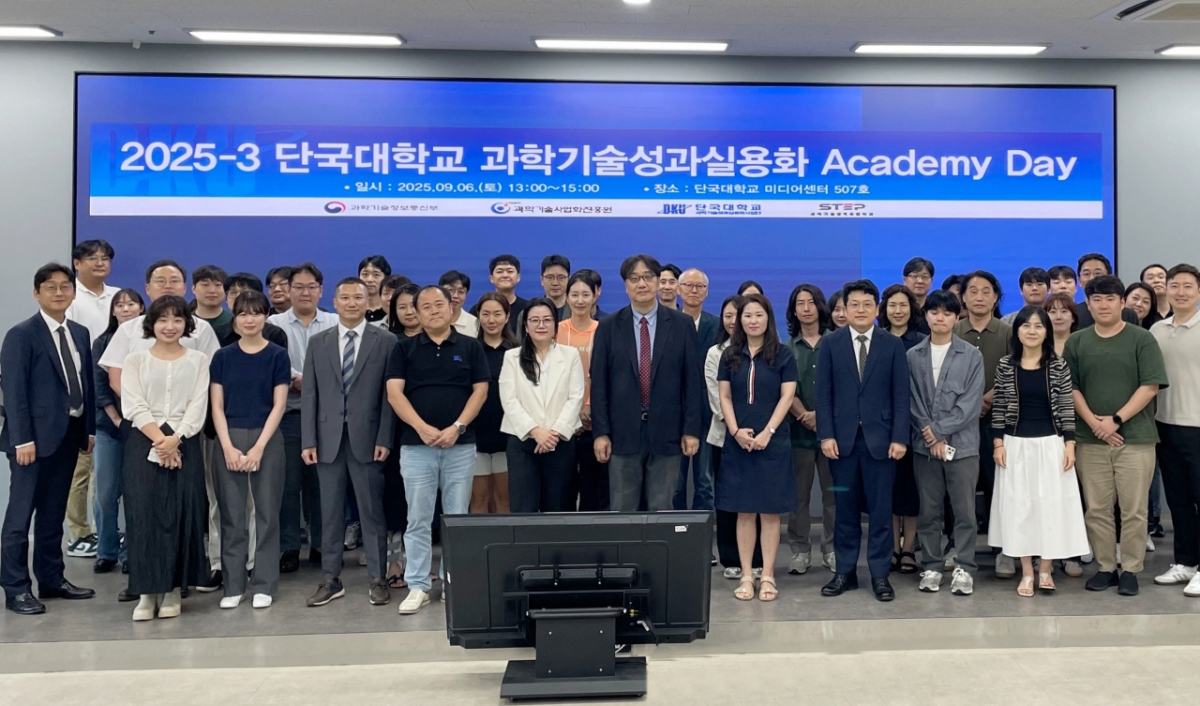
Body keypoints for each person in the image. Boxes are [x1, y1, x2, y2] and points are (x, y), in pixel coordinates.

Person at [99, 260, 221, 588]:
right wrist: (158, 435)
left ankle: (178, 584)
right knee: (142, 509)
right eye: (160, 280)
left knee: (186, 509)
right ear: (147, 288)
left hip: (186, 433)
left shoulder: (201, 332)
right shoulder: (129, 331)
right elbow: (118, 382)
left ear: (185, 287)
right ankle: (144, 585)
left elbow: (206, 389)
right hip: (142, 430)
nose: (167, 285)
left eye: (174, 280)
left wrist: (175, 437)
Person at [1, 264, 97, 616]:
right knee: (20, 517)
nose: (59, 292)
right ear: (36, 293)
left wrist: (88, 429)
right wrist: (21, 439)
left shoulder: (79, 333)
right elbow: (13, 392)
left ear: (73, 292)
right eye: (50, 287)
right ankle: (15, 588)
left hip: (68, 436)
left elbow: (85, 383)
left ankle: (52, 579)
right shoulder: (21, 334)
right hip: (30, 442)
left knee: (53, 514)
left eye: (65, 286)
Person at [1064, 274, 1168, 597]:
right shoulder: (1077, 342)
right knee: (1097, 509)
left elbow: (1150, 386)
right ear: (1088, 304)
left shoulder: (1141, 339)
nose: (1103, 305)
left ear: (1123, 303)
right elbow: (1071, 388)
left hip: (1135, 438)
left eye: (1110, 299)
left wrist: (1116, 420)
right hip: (1090, 438)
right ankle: (1106, 567)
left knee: (1134, 509)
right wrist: (1096, 424)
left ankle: (1131, 569)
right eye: (1096, 299)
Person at [387, 286, 489, 615]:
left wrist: (457, 427)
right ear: (417, 313)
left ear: (451, 307)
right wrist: (421, 427)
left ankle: (451, 582)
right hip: (417, 446)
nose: (433, 311)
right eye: (426, 306)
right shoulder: (403, 348)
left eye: (439, 304)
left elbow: (480, 391)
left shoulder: (471, 346)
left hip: (460, 445)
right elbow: (394, 393)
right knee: (417, 518)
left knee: (456, 518)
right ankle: (418, 585)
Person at [301, 277, 397, 608]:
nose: (352, 303)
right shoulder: (319, 342)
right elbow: (310, 394)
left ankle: (378, 578)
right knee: (329, 513)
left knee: (371, 512)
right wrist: (308, 439)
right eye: (345, 298)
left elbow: (389, 396)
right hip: (327, 439)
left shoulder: (386, 341)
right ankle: (330, 578)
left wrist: (385, 436)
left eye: (358, 297)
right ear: (335, 302)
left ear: (367, 300)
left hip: (368, 439)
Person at [817, 280, 910, 602]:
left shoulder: (891, 345)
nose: (860, 310)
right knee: (844, 510)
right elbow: (823, 395)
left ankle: (880, 575)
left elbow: (901, 396)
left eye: (867, 304)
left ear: (877, 309)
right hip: (841, 444)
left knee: (881, 512)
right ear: (844, 308)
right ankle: (844, 572)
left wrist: (899, 437)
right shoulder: (830, 343)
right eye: (853, 304)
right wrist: (826, 434)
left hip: (881, 443)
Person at [590, 254, 704, 512]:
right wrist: (601, 433)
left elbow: (692, 382)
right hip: (622, 433)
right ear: (625, 285)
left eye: (647, 277)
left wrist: (690, 430)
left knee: (662, 508)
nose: (641, 283)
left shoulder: (681, 324)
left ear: (658, 281)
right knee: (622, 508)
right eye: (634, 278)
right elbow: (599, 386)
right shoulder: (608, 326)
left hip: (668, 432)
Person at [121, 295, 209, 621]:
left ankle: (172, 590)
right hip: (144, 440)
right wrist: (161, 442)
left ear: (187, 323)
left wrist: (176, 439)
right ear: (151, 324)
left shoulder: (198, 360)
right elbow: (133, 404)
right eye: (162, 319)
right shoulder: (135, 360)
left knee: (181, 516)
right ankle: (146, 593)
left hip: (184, 440)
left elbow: (198, 404)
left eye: (177, 319)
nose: (170, 326)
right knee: (143, 517)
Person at [990, 306, 1088, 597]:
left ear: (1046, 332)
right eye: (1026, 325)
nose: (1031, 331)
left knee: (1050, 508)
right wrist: (998, 444)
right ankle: (1027, 572)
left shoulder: (1058, 365)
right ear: (1017, 331)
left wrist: (1070, 443)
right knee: (1019, 508)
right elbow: (999, 406)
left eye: (1038, 326)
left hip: (1051, 444)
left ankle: (1045, 569)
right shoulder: (1005, 365)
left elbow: (1067, 406)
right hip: (1015, 444)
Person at [209, 291, 290, 609]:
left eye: (256, 313)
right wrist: (227, 447)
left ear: (266, 316)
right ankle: (233, 586)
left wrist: (258, 447)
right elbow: (216, 406)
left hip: (266, 439)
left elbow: (279, 404)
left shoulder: (277, 355)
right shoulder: (222, 356)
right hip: (227, 437)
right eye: (243, 313)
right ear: (235, 317)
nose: (249, 319)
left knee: (267, 514)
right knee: (231, 515)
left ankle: (264, 584)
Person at [717, 294, 797, 602]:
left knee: (770, 513)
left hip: (772, 444)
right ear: (739, 321)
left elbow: (787, 397)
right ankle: (747, 575)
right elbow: (724, 397)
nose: (753, 320)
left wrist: (768, 432)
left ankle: (768, 575)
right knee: (745, 511)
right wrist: (735, 431)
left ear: (768, 319)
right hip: (738, 443)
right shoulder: (729, 355)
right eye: (747, 315)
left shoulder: (783, 354)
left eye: (758, 315)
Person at [908, 290, 985, 596]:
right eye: (934, 312)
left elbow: (970, 404)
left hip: (962, 447)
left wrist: (939, 431)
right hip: (924, 448)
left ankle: (964, 566)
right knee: (928, 511)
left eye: (947, 313)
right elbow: (911, 400)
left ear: (957, 317)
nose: (940, 318)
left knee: (964, 511)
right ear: (926, 315)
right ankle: (931, 565)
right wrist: (930, 434)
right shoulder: (912, 355)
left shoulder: (971, 355)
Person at [269, 263, 339, 572]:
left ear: (321, 290)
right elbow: (267, 362)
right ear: (288, 290)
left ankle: (322, 543)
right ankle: (288, 546)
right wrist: (294, 378)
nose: (305, 292)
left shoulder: (335, 322)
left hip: (326, 416)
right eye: (298, 287)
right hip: (287, 415)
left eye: (311, 287)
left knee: (322, 483)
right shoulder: (272, 324)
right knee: (287, 485)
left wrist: (308, 381)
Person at [501, 298, 586, 512]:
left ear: (555, 325)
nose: (541, 325)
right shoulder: (512, 357)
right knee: (524, 507)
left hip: (560, 441)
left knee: (558, 506)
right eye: (535, 320)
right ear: (526, 326)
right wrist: (536, 431)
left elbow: (576, 397)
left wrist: (553, 434)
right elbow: (509, 400)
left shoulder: (570, 355)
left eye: (547, 320)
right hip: (523, 442)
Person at [952, 271, 1012, 573]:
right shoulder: (952, 329)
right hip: (957, 423)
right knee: (957, 486)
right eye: (972, 291)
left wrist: (987, 398)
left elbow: (1015, 369)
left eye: (986, 291)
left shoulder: (1007, 332)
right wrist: (968, 405)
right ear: (963, 297)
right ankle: (955, 547)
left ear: (996, 297)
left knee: (997, 484)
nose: (979, 297)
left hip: (997, 422)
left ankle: (1003, 549)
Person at [64, 240, 119, 560]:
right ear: (77, 263)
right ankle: (78, 533)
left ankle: (105, 531)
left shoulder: (117, 297)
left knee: (106, 474)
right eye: (92, 258)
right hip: (81, 391)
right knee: (80, 468)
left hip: (113, 390)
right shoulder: (70, 297)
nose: (100, 262)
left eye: (105, 258)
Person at [1151, 264, 1200, 596]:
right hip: (1165, 425)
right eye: (1175, 285)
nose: (1180, 292)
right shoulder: (1157, 329)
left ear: (1198, 291)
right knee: (1178, 500)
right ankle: (1185, 562)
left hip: (1197, 425)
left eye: (1188, 286)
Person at [707, 295, 762, 579]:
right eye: (728, 315)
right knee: (730, 499)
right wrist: (736, 429)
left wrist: (758, 429)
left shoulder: (768, 350)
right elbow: (717, 398)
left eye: (738, 315)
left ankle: (758, 560)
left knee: (759, 500)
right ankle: (731, 557)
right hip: (726, 437)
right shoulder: (716, 353)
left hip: (760, 437)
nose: (734, 320)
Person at [91, 289, 145, 575]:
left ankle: (130, 553)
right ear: (113, 311)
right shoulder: (103, 342)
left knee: (135, 493)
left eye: (131, 304)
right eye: (120, 305)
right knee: (105, 493)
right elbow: (100, 386)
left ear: (142, 308)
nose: (126, 309)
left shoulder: (150, 339)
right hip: (110, 428)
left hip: (143, 427)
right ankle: (106, 550)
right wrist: (116, 418)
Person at [785, 284, 836, 575]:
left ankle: (832, 549)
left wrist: (822, 416)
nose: (805, 308)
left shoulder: (836, 343)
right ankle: (800, 551)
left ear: (820, 306)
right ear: (793, 310)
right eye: (799, 303)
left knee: (834, 496)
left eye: (810, 302)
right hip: (798, 434)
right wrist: (804, 415)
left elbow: (844, 386)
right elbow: (784, 389)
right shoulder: (787, 348)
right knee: (798, 497)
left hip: (832, 436)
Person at [878, 284, 926, 575]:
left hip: (915, 427)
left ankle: (908, 548)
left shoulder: (921, 342)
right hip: (882, 427)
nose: (898, 311)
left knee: (911, 491)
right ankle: (892, 548)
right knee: (889, 490)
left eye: (903, 305)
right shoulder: (877, 340)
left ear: (912, 309)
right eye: (892, 305)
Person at [557, 270, 608, 511]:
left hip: (593, 421)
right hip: (560, 422)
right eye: (574, 294)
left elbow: (605, 375)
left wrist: (588, 405)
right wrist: (571, 412)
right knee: (563, 489)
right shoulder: (556, 330)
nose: (580, 300)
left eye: (585, 294)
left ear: (595, 295)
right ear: (566, 297)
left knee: (592, 489)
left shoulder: (605, 330)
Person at [675, 268, 720, 512]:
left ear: (707, 292)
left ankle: (703, 531)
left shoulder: (717, 325)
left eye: (700, 286)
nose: (694, 291)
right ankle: (675, 530)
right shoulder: (668, 323)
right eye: (688, 285)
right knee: (675, 482)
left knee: (705, 481)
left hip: (707, 412)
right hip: (674, 411)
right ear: (678, 289)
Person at [472, 293, 517, 514]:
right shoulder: (470, 350)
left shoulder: (517, 352)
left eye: (497, 314)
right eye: (486, 314)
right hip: (474, 437)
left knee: (504, 499)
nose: (491, 320)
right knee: (478, 499)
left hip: (507, 437)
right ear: (478, 316)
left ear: (507, 317)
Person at [1075, 253, 1139, 329]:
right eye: (1086, 274)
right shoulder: (1073, 314)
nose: (1092, 278)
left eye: (1098, 273)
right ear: (1079, 281)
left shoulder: (1128, 315)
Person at [471, 255, 527, 336]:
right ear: (491, 278)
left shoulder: (527, 308)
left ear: (518, 277)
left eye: (510, 271)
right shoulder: (479, 309)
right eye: (499, 272)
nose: (505, 275)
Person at [191, 265, 233, 336]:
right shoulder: (185, 323)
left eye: (218, 285)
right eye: (205, 285)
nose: (212, 290)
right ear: (193, 289)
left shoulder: (235, 322)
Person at [439, 270, 478, 337]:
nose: (455, 296)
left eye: (461, 292)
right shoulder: (430, 320)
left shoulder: (474, 323)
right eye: (450, 290)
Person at [358, 255, 392, 324]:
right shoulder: (354, 309)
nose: (369, 280)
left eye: (376, 275)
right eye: (365, 274)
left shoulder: (392, 310)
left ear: (386, 279)